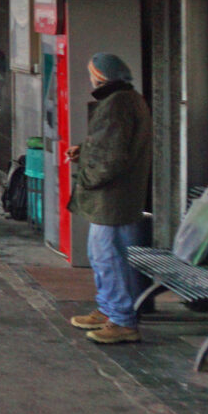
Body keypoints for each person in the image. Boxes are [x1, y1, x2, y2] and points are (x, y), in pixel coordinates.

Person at [66, 51, 154, 344]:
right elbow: (109, 145)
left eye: (92, 73)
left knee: (107, 257)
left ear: (101, 76)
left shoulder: (116, 105)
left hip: (112, 199)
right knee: (109, 256)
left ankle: (121, 320)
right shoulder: (127, 99)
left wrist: (87, 180)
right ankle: (110, 310)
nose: (90, 77)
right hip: (120, 197)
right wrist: (84, 151)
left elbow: (111, 156)